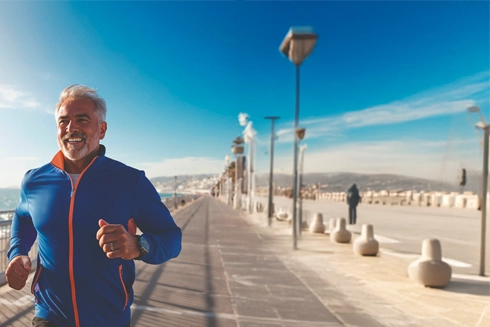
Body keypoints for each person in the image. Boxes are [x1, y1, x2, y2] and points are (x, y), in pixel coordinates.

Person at [6, 85, 182, 327]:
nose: (71, 128)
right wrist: (17, 253)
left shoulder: (130, 181)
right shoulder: (34, 180)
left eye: (82, 120)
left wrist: (139, 245)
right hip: (49, 315)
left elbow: (172, 237)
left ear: (102, 129)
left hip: (108, 319)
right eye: (63, 121)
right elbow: (23, 217)